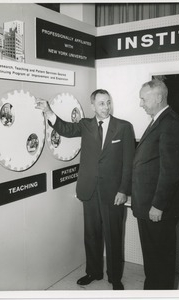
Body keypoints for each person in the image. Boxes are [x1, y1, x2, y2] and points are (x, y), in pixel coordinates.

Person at [36, 89, 135, 290]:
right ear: (92, 106)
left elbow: (128, 163)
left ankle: (115, 277)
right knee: (91, 234)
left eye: (108, 102)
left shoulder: (124, 127)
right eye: (101, 103)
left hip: (113, 193)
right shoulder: (85, 125)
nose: (106, 107)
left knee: (113, 236)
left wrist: (124, 190)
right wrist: (48, 111)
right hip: (89, 190)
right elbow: (64, 128)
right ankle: (94, 272)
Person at [131, 79, 179, 290]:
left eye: (143, 98)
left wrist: (158, 205)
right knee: (153, 259)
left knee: (160, 261)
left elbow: (170, 171)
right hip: (148, 206)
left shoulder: (171, 123)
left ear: (158, 97)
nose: (140, 103)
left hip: (157, 208)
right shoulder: (159, 120)